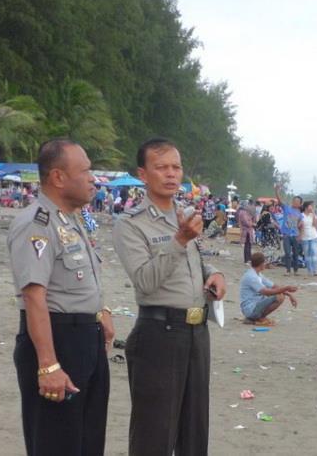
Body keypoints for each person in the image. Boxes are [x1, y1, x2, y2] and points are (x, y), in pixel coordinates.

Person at [113, 138, 226, 456]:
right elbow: (145, 281)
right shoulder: (131, 224)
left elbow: (196, 262)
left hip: (196, 333)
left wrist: (214, 273)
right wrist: (179, 240)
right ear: (143, 174)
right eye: (161, 167)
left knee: (194, 433)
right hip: (159, 334)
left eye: (176, 167)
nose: (171, 174)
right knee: (154, 435)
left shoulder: (185, 215)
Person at [7, 139, 114, 455]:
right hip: (57, 341)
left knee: (88, 442)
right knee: (56, 443)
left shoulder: (72, 219)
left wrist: (102, 311)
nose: (93, 179)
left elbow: (79, 280)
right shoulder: (36, 223)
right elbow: (34, 296)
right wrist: (48, 365)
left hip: (87, 340)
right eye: (85, 171)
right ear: (58, 177)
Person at [240, 252, 298, 325]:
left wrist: (289, 295)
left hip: (256, 304)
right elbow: (266, 292)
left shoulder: (258, 274)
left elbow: (274, 286)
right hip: (250, 308)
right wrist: (286, 288)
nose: (266, 264)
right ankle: (258, 318)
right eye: (264, 262)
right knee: (279, 296)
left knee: (279, 294)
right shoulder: (251, 276)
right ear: (261, 264)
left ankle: (257, 317)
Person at [275, 185, 303, 276]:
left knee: (296, 254)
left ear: (300, 204)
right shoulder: (286, 208)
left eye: (297, 201)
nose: (295, 202)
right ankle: (288, 270)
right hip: (286, 235)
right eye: (294, 201)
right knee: (287, 253)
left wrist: (300, 235)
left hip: (295, 236)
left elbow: (300, 226)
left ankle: (296, 270)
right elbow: (279, 201)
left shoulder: (300, 214)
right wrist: (277, 191)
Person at [300, 201, 317, 276]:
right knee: (307, 255)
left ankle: (315, 270)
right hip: (305, 237)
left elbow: (315, 225)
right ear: (306, 207)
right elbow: (298, 225)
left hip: (314, 236)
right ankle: (309, 270)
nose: (312, 207)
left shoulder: (313, 215)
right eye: (310, 206)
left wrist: (314, 214)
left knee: (314, 253)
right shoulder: (301, 215)